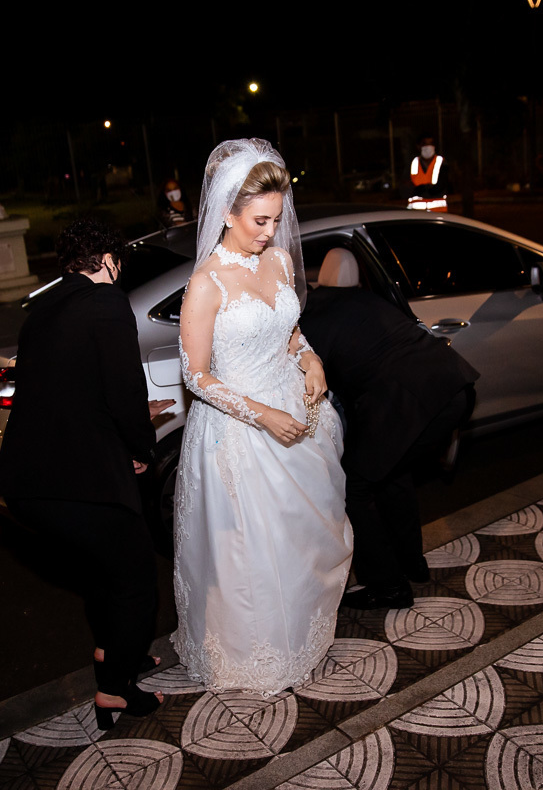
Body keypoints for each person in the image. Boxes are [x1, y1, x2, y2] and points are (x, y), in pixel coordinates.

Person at [172, 139, 353, 695]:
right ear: (227, 212)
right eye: (258, 220)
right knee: (254, 555)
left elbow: (289, 330)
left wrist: (311, 358)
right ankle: (255, 657)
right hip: (239, 431)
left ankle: (302, 636)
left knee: (303, 542)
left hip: (296, 415)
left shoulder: (278, 260)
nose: (270, 232)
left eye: (276, 219)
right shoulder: (206, 284)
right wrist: (262, 416)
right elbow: (195, 376)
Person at [0, 218, 173, 729]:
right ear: (110, 261)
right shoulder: (106, 302)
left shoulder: (42, 309)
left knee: (102, 570)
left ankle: (116, 653)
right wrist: (139, 448)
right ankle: (116, 691)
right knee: (137, 577)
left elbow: (65, 390)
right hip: (78, 479)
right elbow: (121, 390)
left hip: (30, 484)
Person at [301, 248, 478, 609]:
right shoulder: (363, 298)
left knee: (355, 486)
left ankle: (388, 585)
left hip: (412, 402)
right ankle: (412, 563)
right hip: (454, 385)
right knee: (392, 475)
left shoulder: (310, 324)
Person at [406, 134, 450, 212]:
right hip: (417, 213)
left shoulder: (441, 162)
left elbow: (443, 184)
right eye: (425, 144)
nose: (428, 147)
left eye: (431, 144)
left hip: (438, 213)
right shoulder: (413, 163)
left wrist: (426, 190)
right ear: (418, 146)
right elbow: (405, 187)